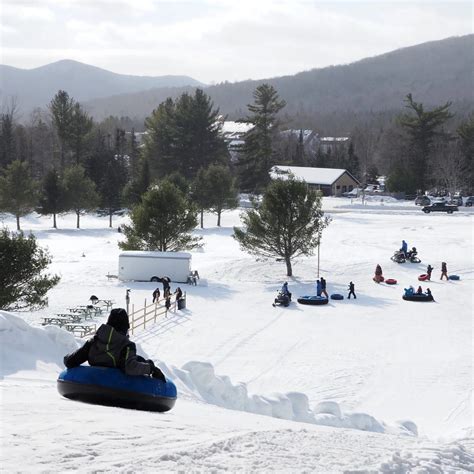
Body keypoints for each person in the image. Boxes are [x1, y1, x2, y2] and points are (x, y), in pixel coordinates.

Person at [63, 308, 166, 382]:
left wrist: (67, 358)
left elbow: (72, 361)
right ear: (125, 328)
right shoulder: (127, 346)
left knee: (139, 359)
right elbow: (129, 367)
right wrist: (151, 369)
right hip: (117, 387)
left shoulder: (94, 342)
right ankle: (150, 364)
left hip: (93, 383)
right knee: (142, 361)